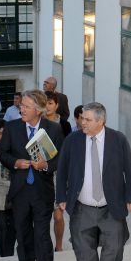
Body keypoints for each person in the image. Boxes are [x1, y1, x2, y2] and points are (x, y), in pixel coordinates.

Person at [56, 102, 131, 261]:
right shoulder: (73, 140)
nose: (82, 122)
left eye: (87, 119)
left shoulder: (118, 139)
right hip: (82, 206)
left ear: (101, 121)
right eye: (82, 118)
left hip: (111, 205)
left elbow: (129, 168)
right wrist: (62, 197)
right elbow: (62, 169)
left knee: (115, 245)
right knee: (83, 249)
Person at [0, 90, 64, 261]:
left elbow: (60, 159)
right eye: (21, 106)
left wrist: (45, 165)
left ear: (38, 110)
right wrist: (15, 163)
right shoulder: (11, 127)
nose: (21, 109)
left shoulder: (53, 129)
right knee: (23, 232)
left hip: (42, 192)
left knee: (42, 236)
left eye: (26, 106)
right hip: (20, 191)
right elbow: (2, 154)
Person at [45, 91, 71, 252]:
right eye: (45, 103)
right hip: (40, 171)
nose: (47, 106)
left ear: (56, 106)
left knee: (58, 215)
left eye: (50, 103)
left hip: (58, 172)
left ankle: (59, 246)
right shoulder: (37, 122)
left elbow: (68, 149)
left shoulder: (64, 125)